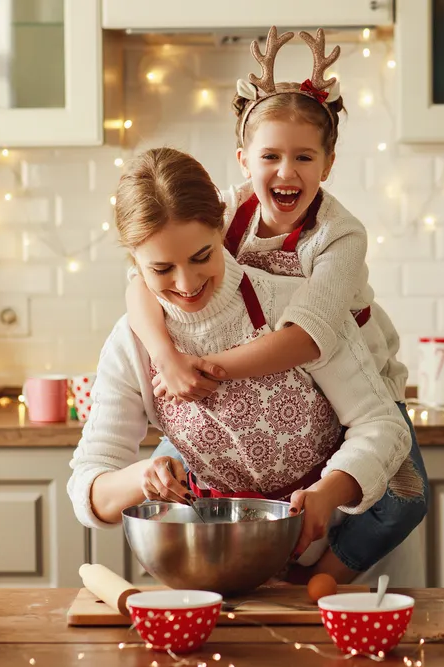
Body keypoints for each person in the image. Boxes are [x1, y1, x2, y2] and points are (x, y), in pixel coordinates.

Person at [123, 27, 429, 583]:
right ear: (243, 160)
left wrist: (207, 370)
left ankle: (323, 577)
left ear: (328, 164)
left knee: (405, 499)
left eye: (304, 157)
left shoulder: (340, 237)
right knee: (183, 467)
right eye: (270, 156)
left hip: (350, 374)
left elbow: (308, 337)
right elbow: (141, 281)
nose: (286, 172)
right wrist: (167, 357)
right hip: (231, 382)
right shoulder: (222, 212)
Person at [68, 148, 414, 583]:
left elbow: (382, 425)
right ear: (134, 263)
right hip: (217, 572)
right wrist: (144, 477)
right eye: (161, 269)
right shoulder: (131, 343)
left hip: (344, 574)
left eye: (200, 257)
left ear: (222, 226)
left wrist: (330, 492)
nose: (187, 283)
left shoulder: (293, 305)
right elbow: (89, 487)